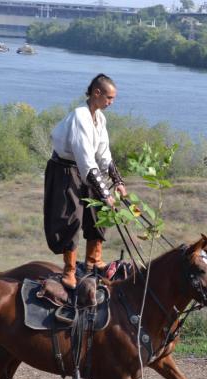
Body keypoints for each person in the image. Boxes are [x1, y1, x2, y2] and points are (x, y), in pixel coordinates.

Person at [44, 73, 127, 302]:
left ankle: (93, 260)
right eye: (109, 97)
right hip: (65, 170)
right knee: (71, 217)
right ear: (97, 93)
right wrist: (105, 192)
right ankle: (69, 271)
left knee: (98, 210)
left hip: (85, 169)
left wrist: (118, 182)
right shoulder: (80, 116)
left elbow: (104, 155)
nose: (111, 102)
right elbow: (85, 161)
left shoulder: (100, 119)